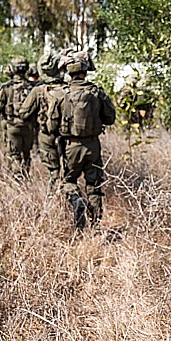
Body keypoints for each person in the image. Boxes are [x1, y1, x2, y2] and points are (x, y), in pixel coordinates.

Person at [48, 50, 116, 227]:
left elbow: (51, 126)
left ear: (69, 72)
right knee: (94, 185)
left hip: (71, 146)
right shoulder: (97, 92)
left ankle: (77, 200)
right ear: (85, 71)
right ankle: (95, 226)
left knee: (69, 181)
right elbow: (110, 118)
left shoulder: (60, 95)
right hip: (93, 145)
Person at [18, 52, 68, 191]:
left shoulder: (38, 91)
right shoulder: (69, 89)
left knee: (53, 172)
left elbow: (23, 113)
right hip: (68, 136)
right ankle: (67, 195)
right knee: (68, 171)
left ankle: (53, 198)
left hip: (46, 135)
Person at [0, 56, 35, 181]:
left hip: (12, 126)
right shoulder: (33, 87)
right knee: (26, 155)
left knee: (14, 154)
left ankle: (18, 180)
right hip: (29, 127)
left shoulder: (6, 88)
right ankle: (26, 177)